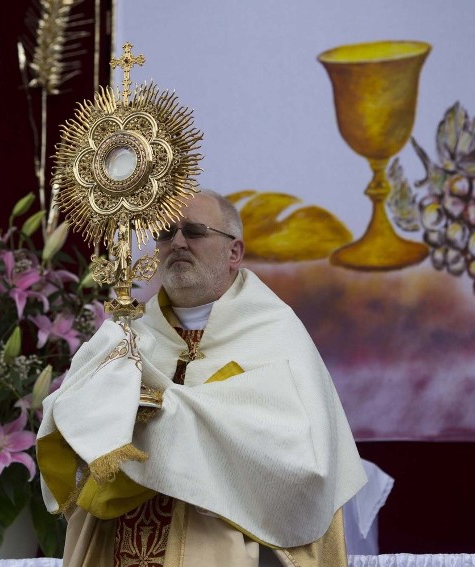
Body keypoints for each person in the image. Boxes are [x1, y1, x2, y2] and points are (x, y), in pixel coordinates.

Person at [37, 189, 366, 566]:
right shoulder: (125, 336)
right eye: (165, 233)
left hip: (223, 543)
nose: (176, 242)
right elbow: (65, 417)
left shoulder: (275, 335)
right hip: (118, 541)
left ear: (234, 252)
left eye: (194, 231)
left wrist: (170, 416)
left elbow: (300, 458)